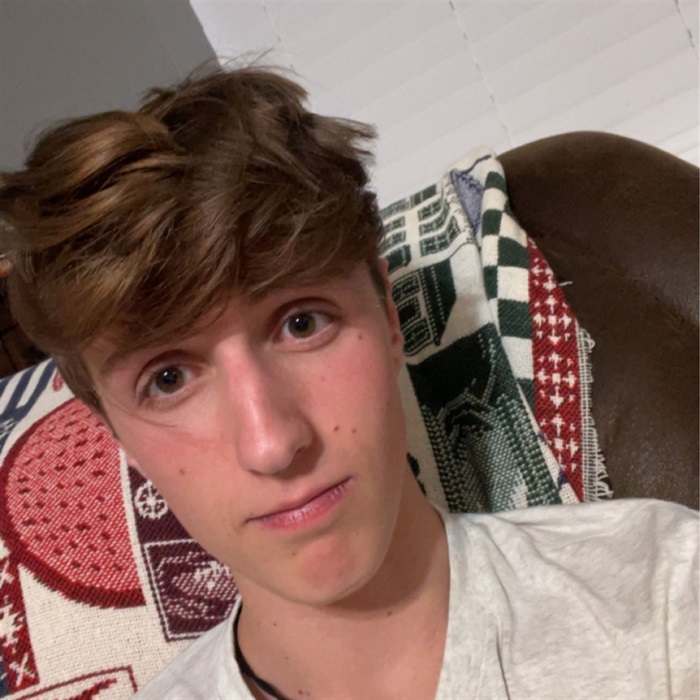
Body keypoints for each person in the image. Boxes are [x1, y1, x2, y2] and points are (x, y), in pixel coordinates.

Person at [0, 65, 696, 700]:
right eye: (169, 378)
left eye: (302, 323)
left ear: (390, 319)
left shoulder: (657, 593)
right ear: (115, 431)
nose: (273, 444)